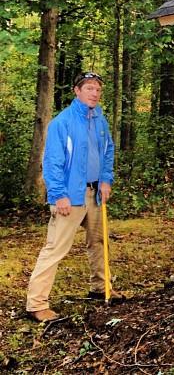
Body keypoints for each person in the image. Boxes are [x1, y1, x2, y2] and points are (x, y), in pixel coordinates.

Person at [26, 71, 123, 322]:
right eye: (89, 88)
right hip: (70, 197)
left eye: (98, 89)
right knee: (55, 248)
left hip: (95, 194)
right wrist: (58, 194)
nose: (94, 93)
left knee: (99, 243)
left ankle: (101, 289)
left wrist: (105, 179)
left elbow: (107, 151)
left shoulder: (99, 120)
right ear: (77, 91)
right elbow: (52, 162)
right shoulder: (63, 122)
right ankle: (36, 305)